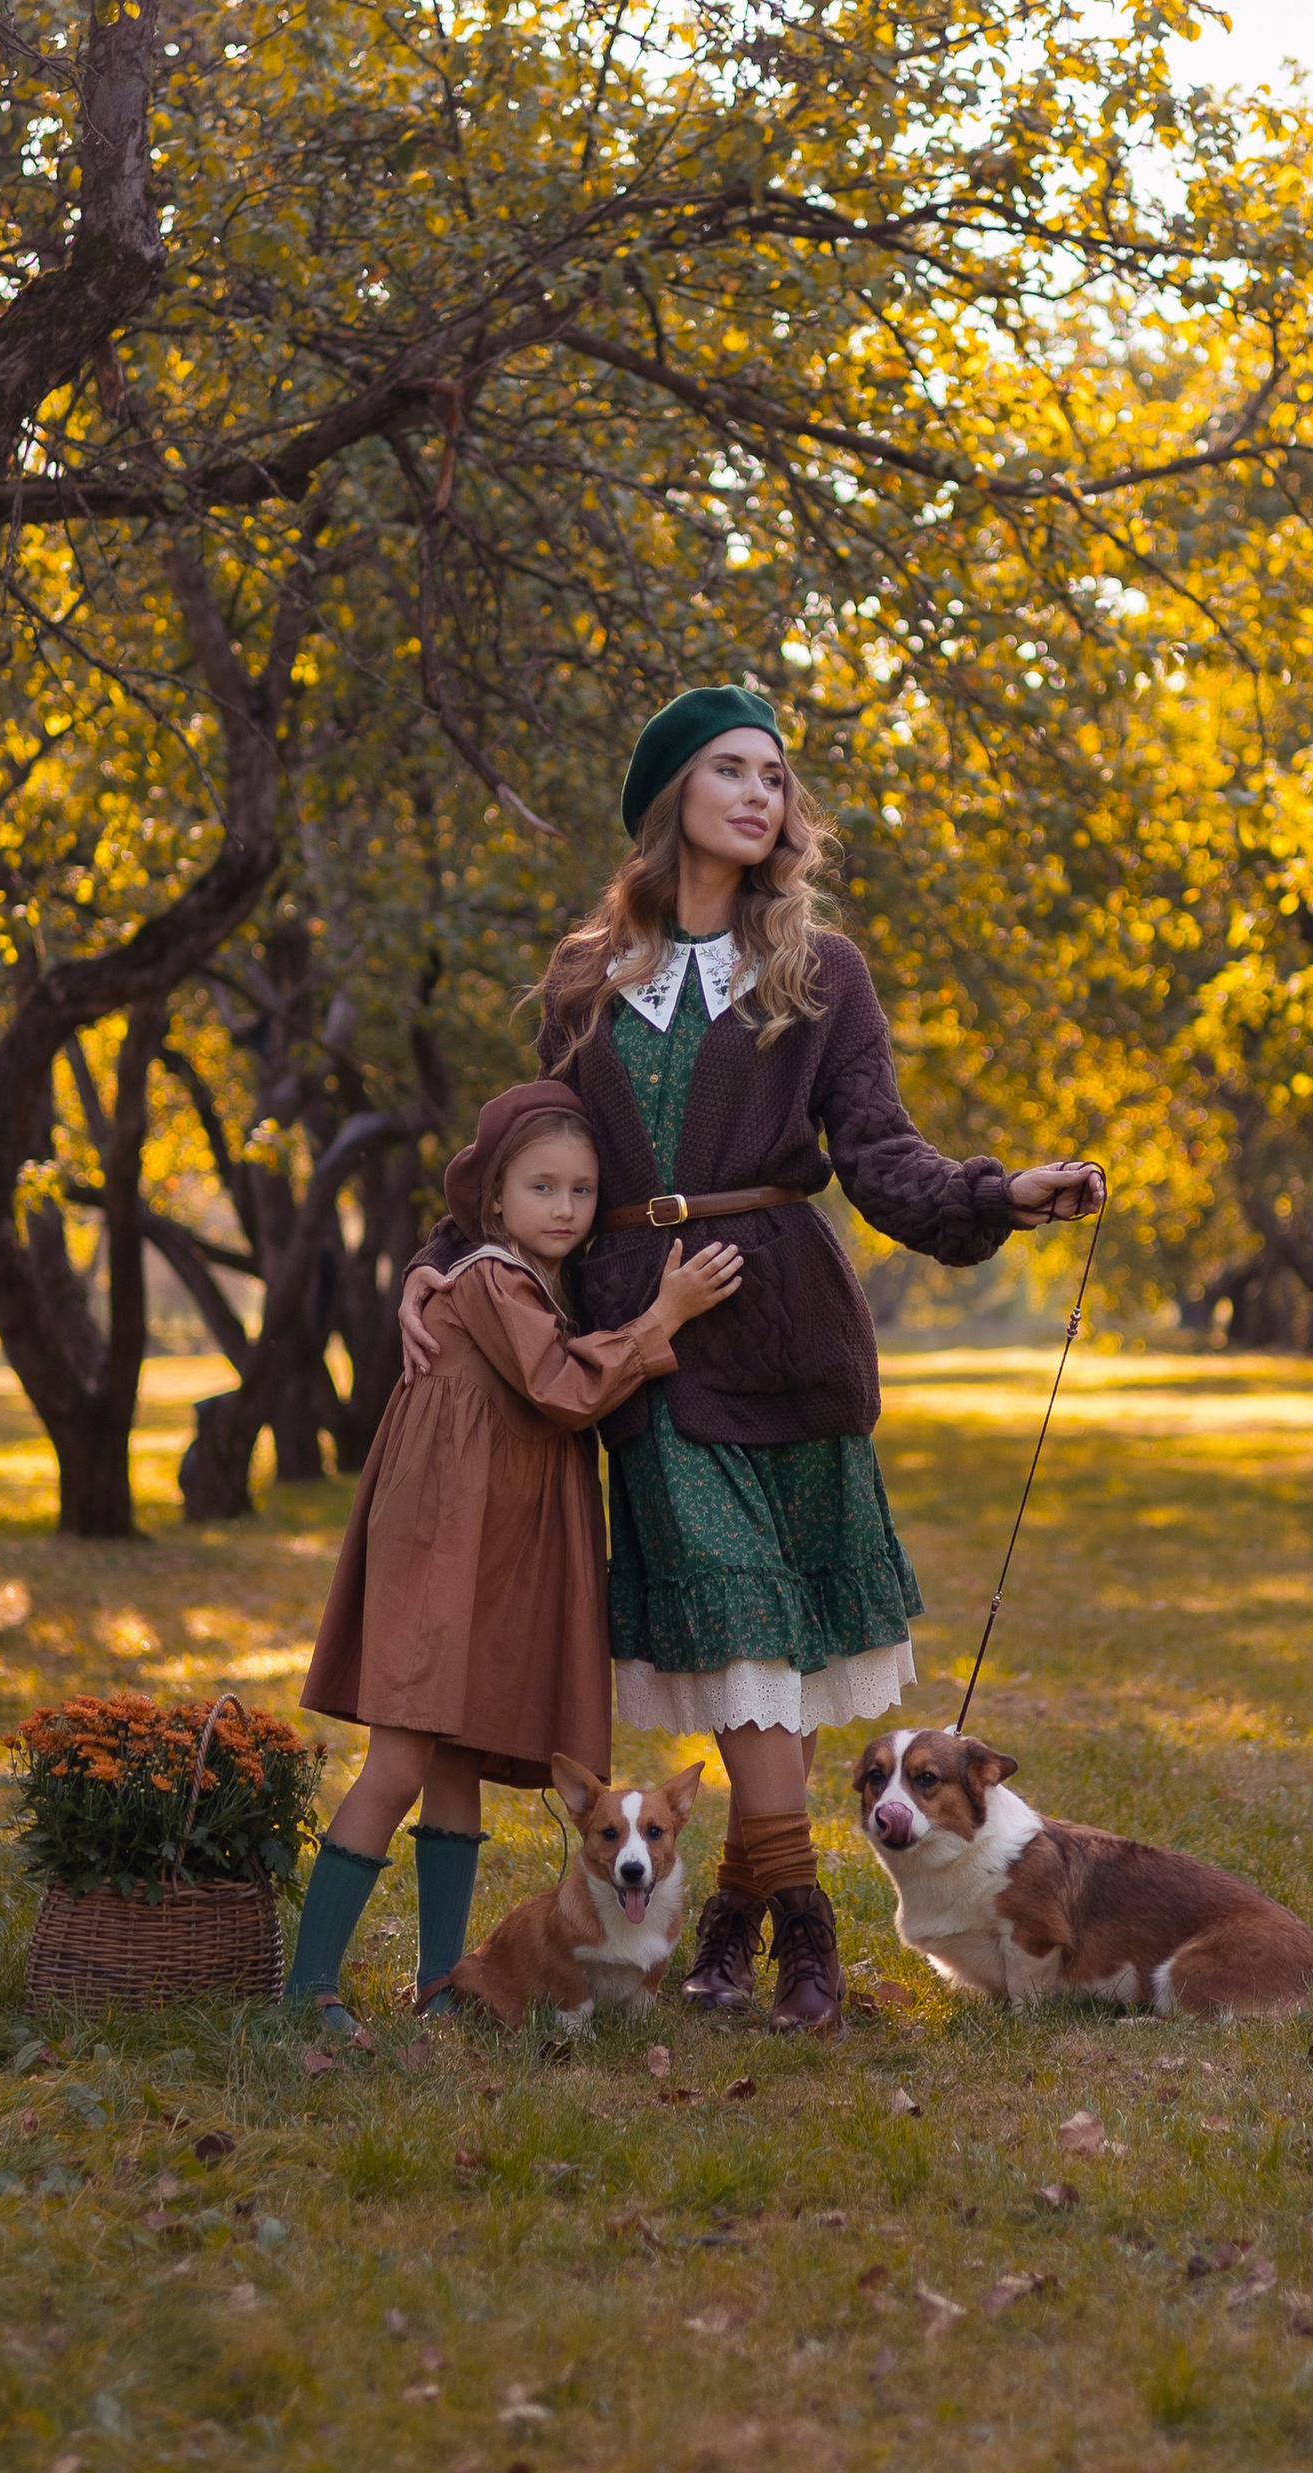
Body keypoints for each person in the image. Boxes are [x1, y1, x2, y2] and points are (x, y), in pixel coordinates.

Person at [399, 684, 1102, 2029]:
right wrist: (442, 1257)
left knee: (776, 1654)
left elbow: (878, 1152)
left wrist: (999, 1193)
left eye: (776, 778)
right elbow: (533, 1147)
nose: (760, 795)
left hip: (788, 1327)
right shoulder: (586, 976)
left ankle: (731, 1927)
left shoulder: (820, 970)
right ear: (672, 796)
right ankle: (805, 1935)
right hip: (652, 1339)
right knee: (732, 1631)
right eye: (732, 769)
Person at [287, 1080, 742, 2010]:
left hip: (488, 1542)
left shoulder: (536, 1281)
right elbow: (563, 1389)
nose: (565, 1208)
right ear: (493, 1196)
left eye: (581, 1190)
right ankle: (309, 1989)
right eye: (542, 1187)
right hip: (440, 1539)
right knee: (400, 1763)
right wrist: (666, 1315)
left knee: (457, 1759)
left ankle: (441, 1982)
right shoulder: (491, 1278)